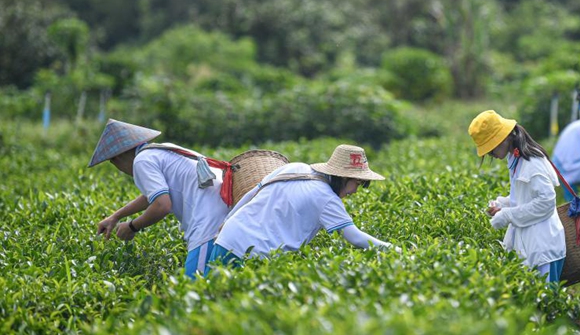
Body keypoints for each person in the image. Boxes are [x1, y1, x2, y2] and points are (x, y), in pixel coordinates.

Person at [206, 144, 390, 271]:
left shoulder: (295, 167)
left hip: (229, 237)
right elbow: (355, 237)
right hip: (253, 252)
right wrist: (395, 249)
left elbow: (250, 195)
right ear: (343, 177)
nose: (355, 191)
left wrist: (226, 222)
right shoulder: (326, 198)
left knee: (214, 297)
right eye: (357, 183)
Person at [89, 119, 231, 279]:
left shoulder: (141, 161)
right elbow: (153, 196)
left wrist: (132, 226)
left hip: (208, 226)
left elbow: (162, 205)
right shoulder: (160, 151)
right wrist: (116, 217)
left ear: (117, 158)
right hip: (227, 216)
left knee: (197, 284)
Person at [468, 110, 566, 283]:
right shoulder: (516, 158)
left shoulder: (531, 162)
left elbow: (546, 202)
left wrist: (507, 215)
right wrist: (503, 204)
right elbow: (526, 196)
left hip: (543, 249)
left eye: (491, 149)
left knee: (546, 304)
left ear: (504, 138)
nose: (490, 154)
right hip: (531, 245)